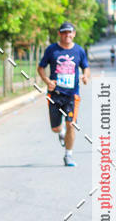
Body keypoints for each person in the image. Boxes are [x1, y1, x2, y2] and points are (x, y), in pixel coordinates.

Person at [37, 21, 90, 167]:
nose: (67, 35)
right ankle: (61, 132)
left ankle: (68, 155)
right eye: (64, 32)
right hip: (55, 95)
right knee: (55, 128)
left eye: (70, 32)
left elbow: (85, 67)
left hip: (72, 96)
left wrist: (85, 76)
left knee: (71, 124)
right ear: (59, 34)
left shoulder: (79, 50)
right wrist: (47, 81)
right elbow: (41, 67)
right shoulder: (52, 50)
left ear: (73, 34)